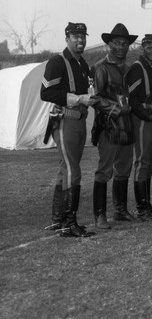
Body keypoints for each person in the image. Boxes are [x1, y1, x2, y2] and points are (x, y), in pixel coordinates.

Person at [41, 22, 96, 237]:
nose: (80, 40)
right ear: (67, 38)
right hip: (65, 120)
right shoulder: (57, 62)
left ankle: (59, 218)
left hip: (79, 121)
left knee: (66, 169)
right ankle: (69, 223)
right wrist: (77, 98)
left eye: (82, 36)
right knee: (73, 170)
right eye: (75, 36)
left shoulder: (82, 64)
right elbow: (45, 93)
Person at [91, 23, 137, 229]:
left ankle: (120, 210)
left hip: (127, 127)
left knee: (124, 169)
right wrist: (117, 108)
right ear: (110, 44)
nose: (121, 47)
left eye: (125, 43)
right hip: (109, 127)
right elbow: (97, 98)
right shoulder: (101, 67)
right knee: (104, 171)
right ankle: (99, 215)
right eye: (117, 43)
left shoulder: (129, 69)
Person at [126, 34, 152, 221]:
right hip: (142, 120)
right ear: (143, 48)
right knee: (142, 161)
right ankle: (141, 207)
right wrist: (147, 115)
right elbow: (132, 99)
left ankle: (147, 203)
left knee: (149, 163)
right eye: (150, 47)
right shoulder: (137, 68)